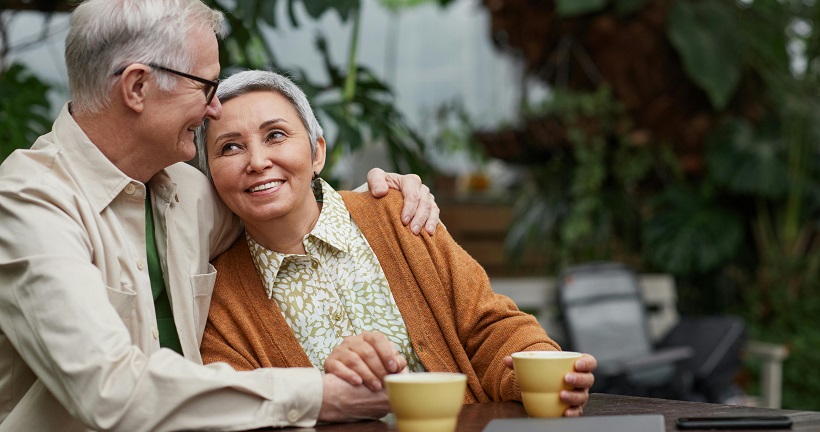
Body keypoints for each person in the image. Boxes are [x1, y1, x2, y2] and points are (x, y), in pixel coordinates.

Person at [0, 0, 441, 430]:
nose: (214, 108)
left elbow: (283, 208)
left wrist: (382, 202)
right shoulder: (27, 203)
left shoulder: (188, 190)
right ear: (137, 87)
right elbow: (108, 388)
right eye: (205, 86)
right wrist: (320, 396)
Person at [197, 69, 597, 415]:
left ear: (317, 152)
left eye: (276, 135)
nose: (257, 161)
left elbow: (487, 325)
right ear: (210, 174)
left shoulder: (399, 213)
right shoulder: (219, 298)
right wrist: (324, 389)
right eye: (230, 147)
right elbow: (239, 408)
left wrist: (535, 370)